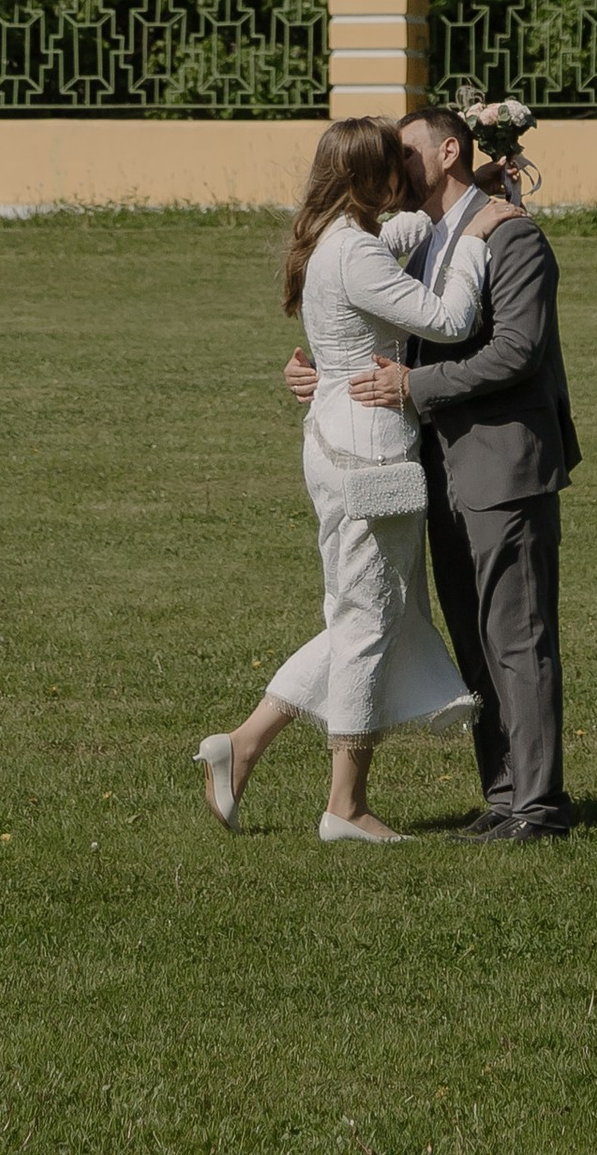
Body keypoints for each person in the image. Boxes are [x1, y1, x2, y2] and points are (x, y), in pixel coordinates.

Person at [194, 116, 489, 845]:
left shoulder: (338, 241)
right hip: (371, 452)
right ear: (371, 178)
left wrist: (439, 218)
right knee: (365, 622)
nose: (406, 173)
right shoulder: (354, 251)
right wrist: (479, 237)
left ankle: (247, 743)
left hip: (335, 442)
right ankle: (344, 805)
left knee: (359, 610)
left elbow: (394, 249)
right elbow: (450, 319)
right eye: (394, 164)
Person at [295, 103, 581, 845]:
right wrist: (325, 370)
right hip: (442, 468)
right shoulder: (427, 235)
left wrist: (412, 390)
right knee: (474, 635)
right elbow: (385, 319)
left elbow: (516, 350)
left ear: (447, 150)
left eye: (407, 153)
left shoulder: (511, 236)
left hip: (504, 465)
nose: (394, 168)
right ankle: (505, 793)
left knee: (516, 636)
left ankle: (539, 808)